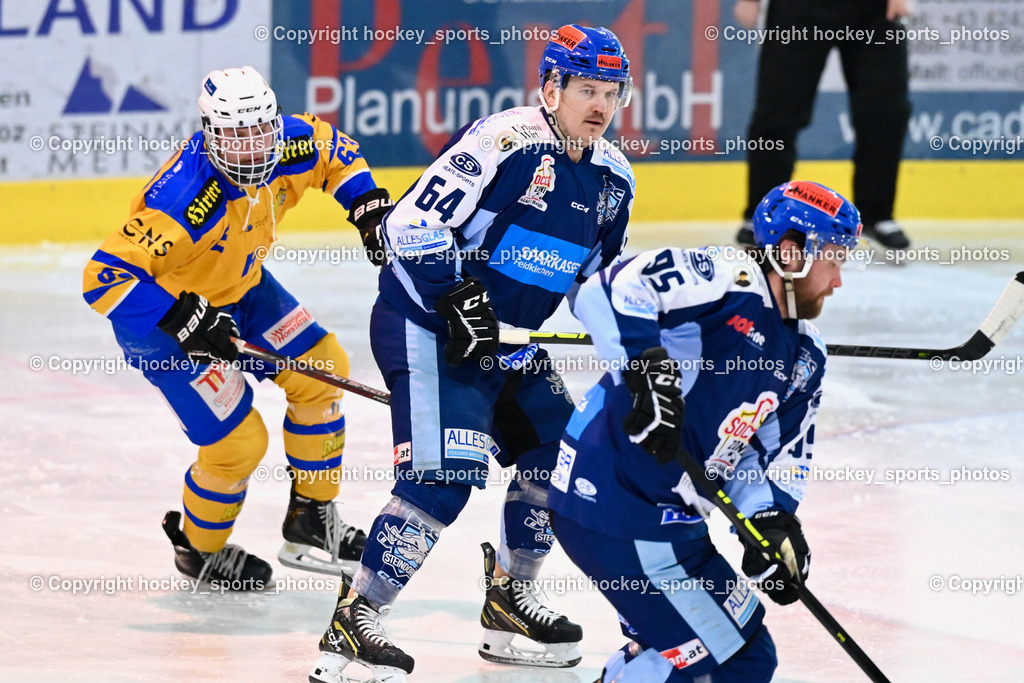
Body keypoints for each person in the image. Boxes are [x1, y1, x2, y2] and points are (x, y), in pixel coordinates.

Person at [308, 25, 635, 683]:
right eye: (586, 90)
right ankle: (356, 615)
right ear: (551, 88)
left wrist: (643, 345)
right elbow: (409, 223)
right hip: (425, 324)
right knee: (442, 477)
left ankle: (511, 597)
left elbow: (595, 285)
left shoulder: (612, 181)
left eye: (611, 92)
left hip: (511, 345)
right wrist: (453, 289)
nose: (600, 106)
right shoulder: (504, 141)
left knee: (557, 457)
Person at [82, 66, 393, 588]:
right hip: (165, 327)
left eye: (260, 130)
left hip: (243, 292)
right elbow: (104, 278)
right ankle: (198, 553)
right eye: (234, 134)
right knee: (239, 444)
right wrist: (180, 317)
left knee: (322, 370)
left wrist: (365, 204)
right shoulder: (185, 198)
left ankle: (311, 520)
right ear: (209, 133)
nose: (252, 146)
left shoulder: (291, 142)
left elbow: (335, 150)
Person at [548, 180, 862, 682]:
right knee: (733, 660)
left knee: (728, 653)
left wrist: (768, 524)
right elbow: (607, 290)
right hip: (613, 501)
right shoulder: (725, 278)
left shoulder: (805, 355)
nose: (838, 281)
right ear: (791, 251)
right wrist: (646, 374)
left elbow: (771, 456)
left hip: (669, 521)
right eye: (834, 259)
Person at [734, 0, 912, 250]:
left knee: (886, 112)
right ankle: (762, 213)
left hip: (874, 9)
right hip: (799, 8)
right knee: (777, 113)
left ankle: (877, 214)